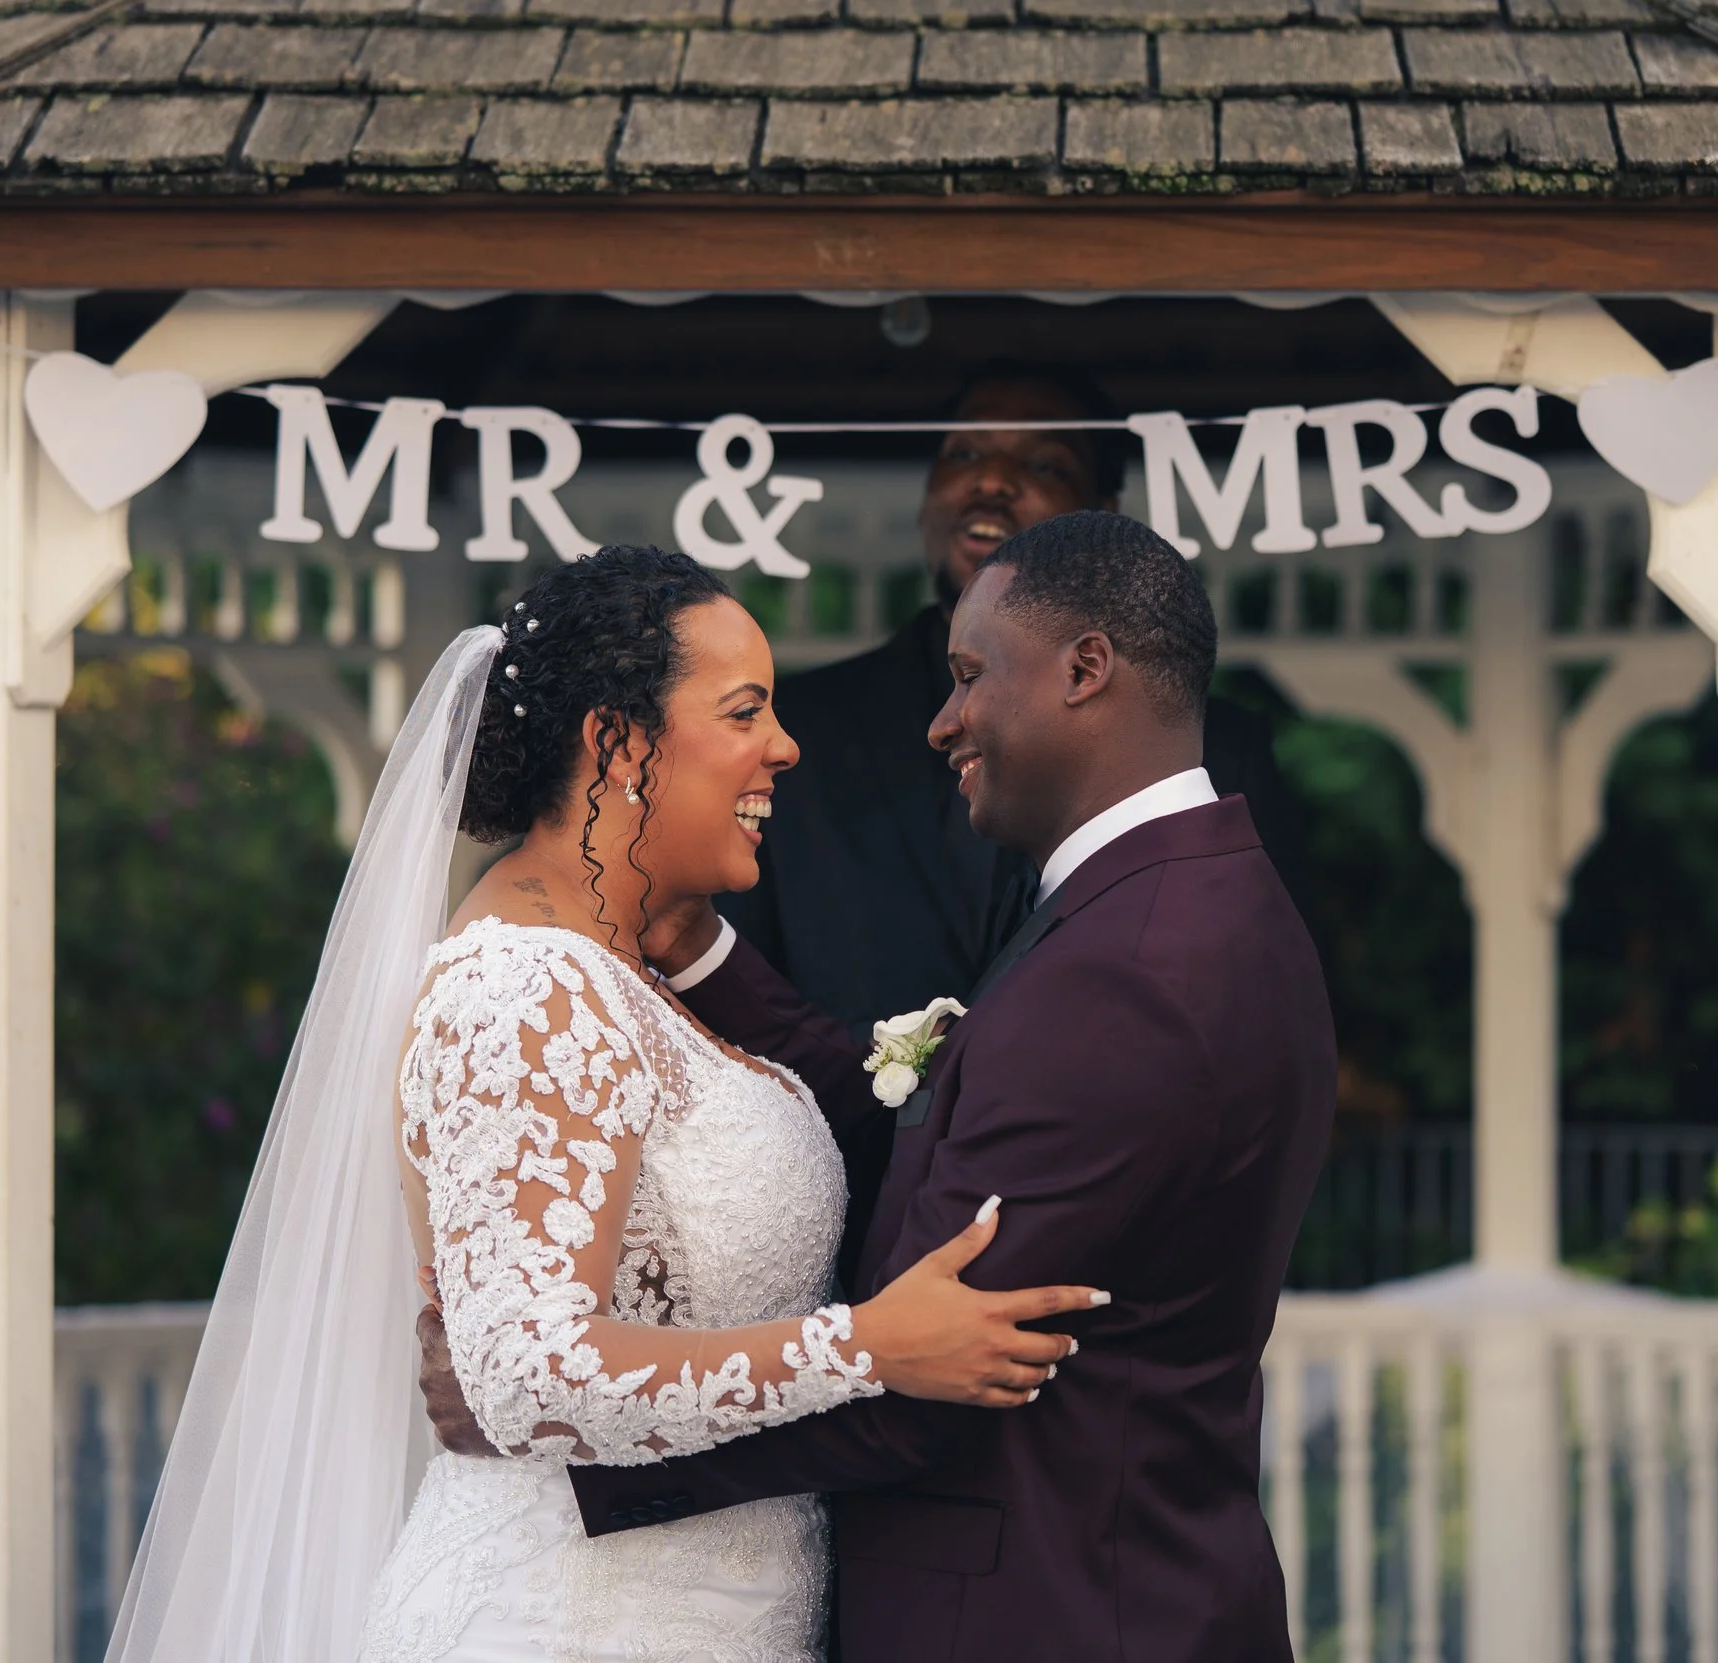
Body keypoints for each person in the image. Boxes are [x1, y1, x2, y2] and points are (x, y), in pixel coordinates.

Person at [103, 546, 1101, 1663]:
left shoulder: (624, 977)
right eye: (742, 712)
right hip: (572, 1622)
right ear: (616, 742)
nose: (784, 745)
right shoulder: (523, 987)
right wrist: (867, 1346)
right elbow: (529, 1376)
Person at [534, 513, 1340, 1660]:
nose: (941, 720)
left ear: (1084, 668)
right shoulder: (1187, 905)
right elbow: (932, 1131)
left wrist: (581, 1451)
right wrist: (708, 954)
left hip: (1046, 1617)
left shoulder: (1131, 968)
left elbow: (934, 1374)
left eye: (968, 676)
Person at [720, 364, 1307, 1049]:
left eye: (1044, 463)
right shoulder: (796, 730)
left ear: (1103, 517)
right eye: (964, 453)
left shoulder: (1215, 748)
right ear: (924, 499)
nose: (992, 480)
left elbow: (1265, 1012)